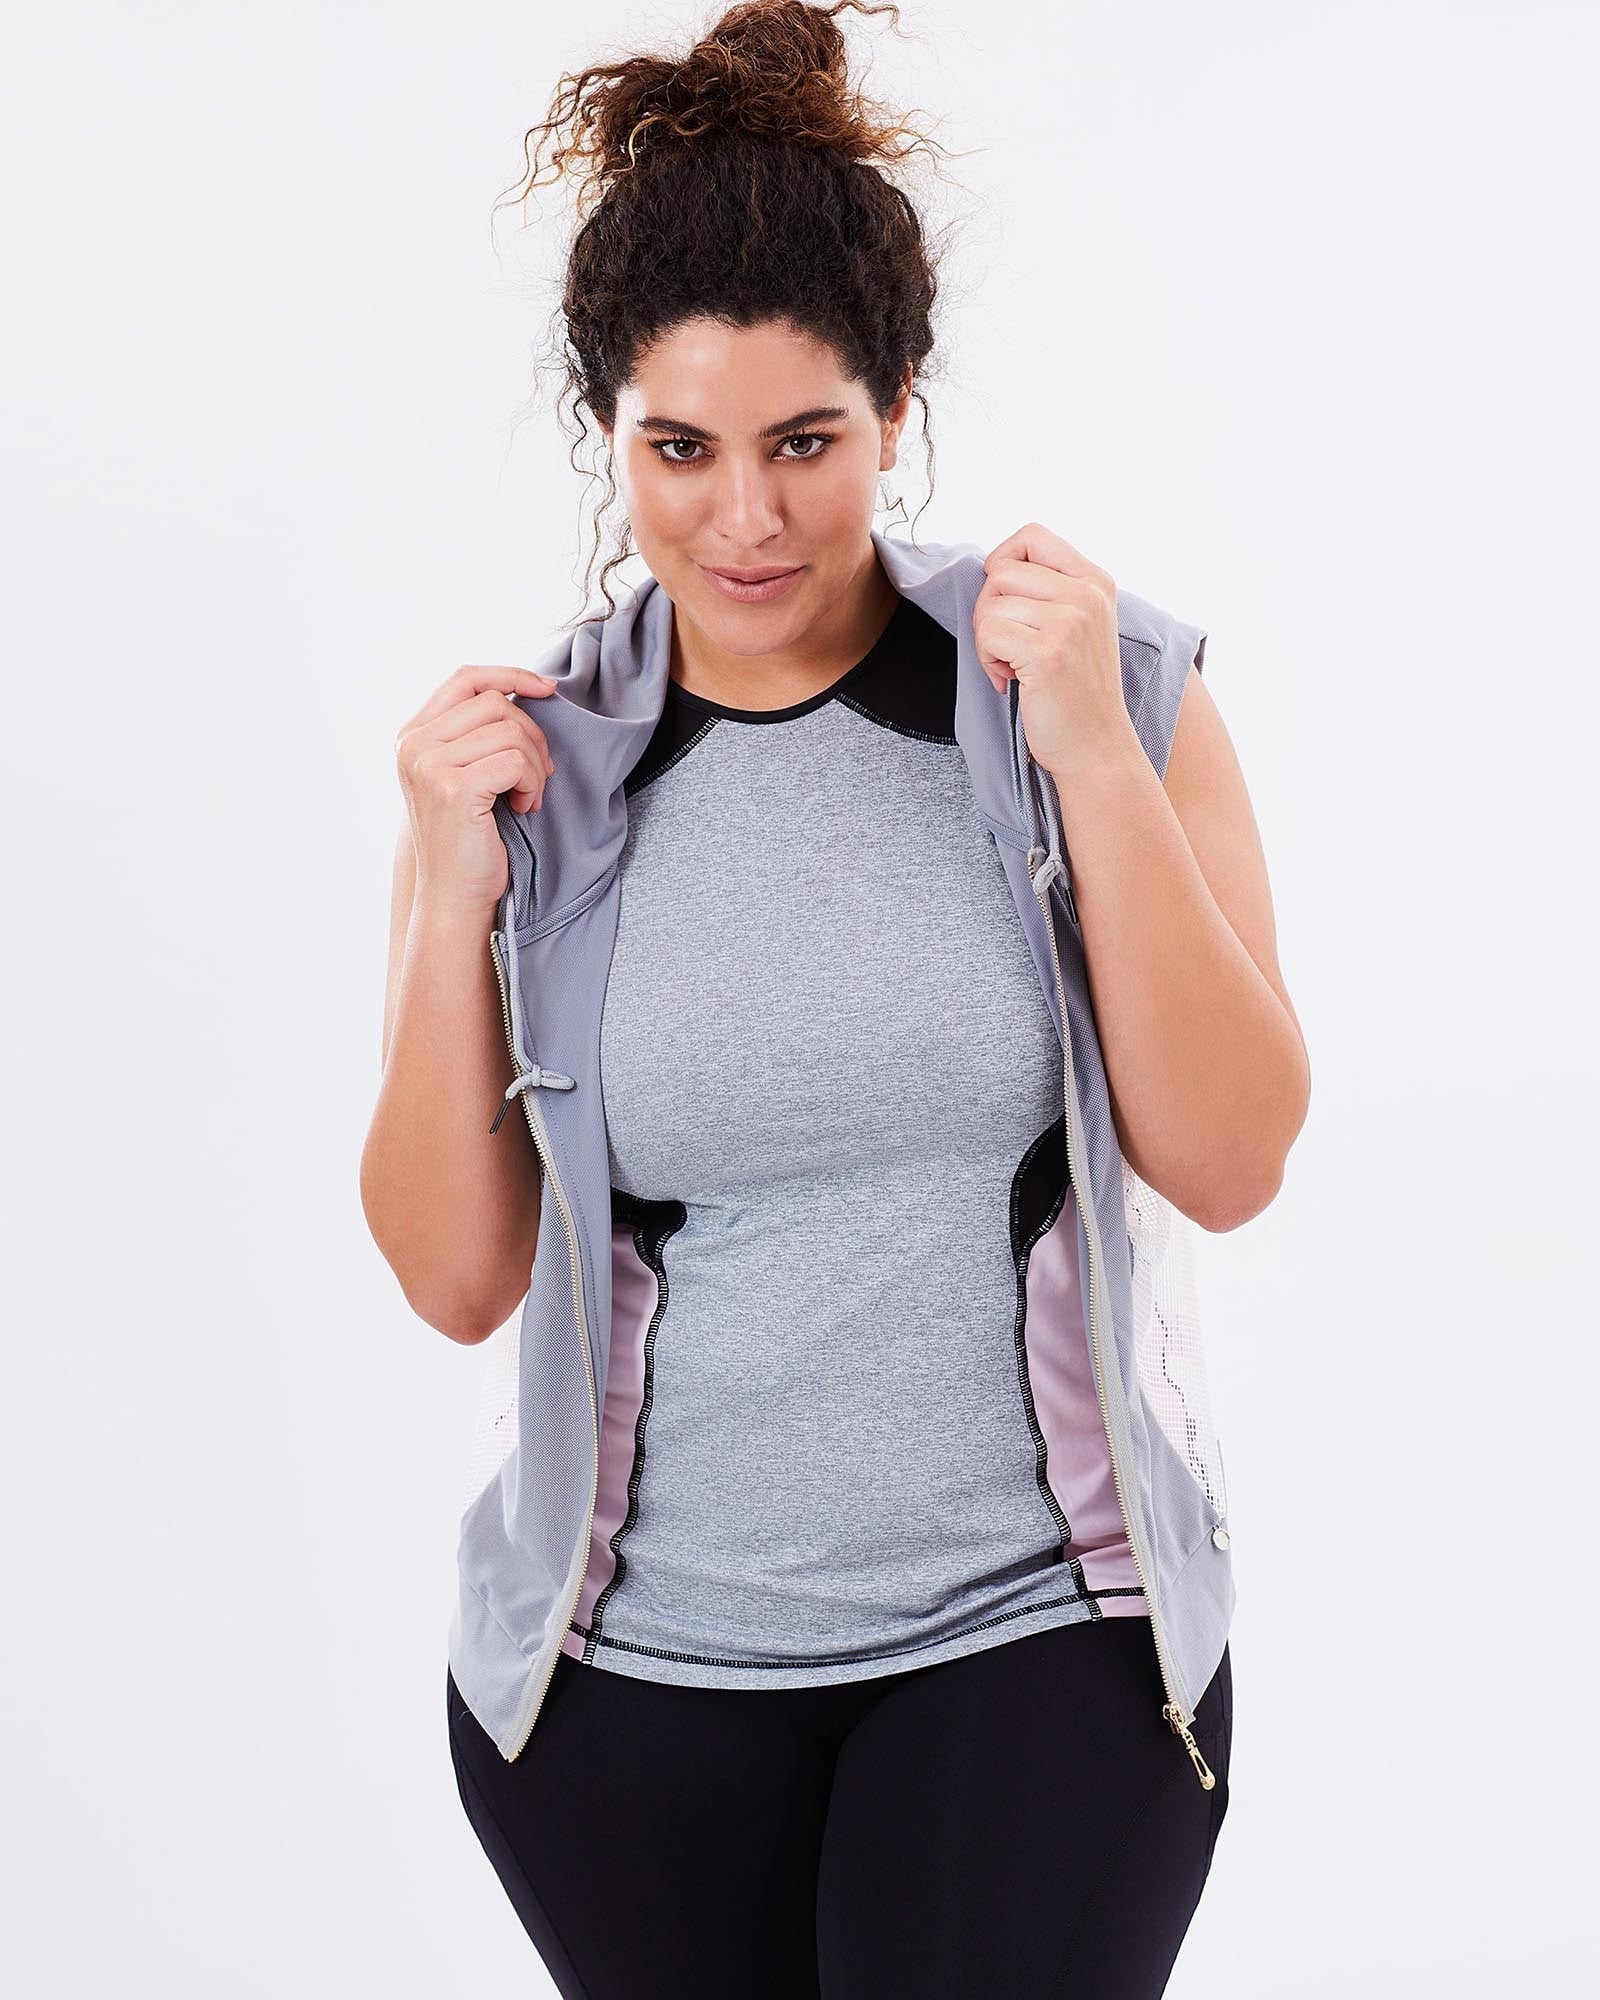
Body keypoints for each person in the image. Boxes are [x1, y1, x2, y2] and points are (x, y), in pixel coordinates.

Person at [360, 2, 1310, 1993]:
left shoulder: (1103, 684)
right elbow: (455, 1278)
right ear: (608, 431)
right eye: (679, 449)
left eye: (806, 442)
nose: (746, 518)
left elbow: (1229, 1160)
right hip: (630, 1684)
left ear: (897, 407)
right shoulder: (527, 773)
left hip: (1038, 1632)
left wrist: (1091, 755)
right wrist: (449, 884)